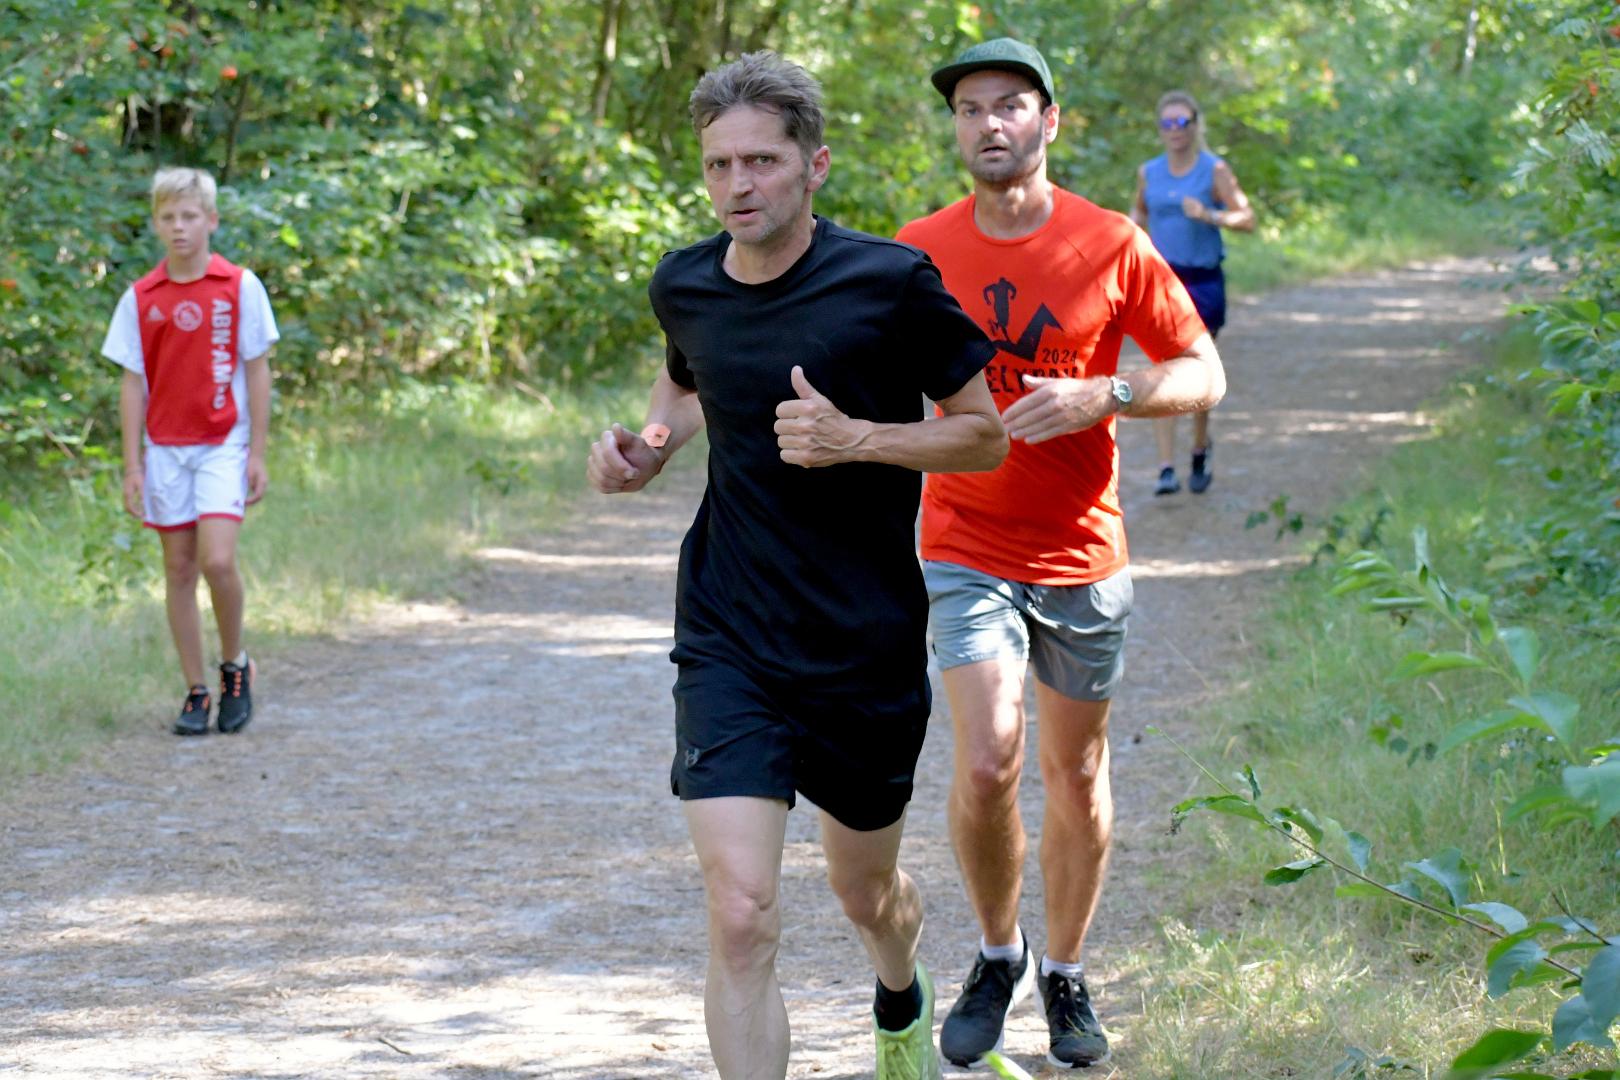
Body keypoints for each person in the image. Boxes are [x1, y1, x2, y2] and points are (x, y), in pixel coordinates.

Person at [585, 51, 1007, 1080]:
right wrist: (650, 445)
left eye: (762, 161)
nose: (739, 184)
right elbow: (685, 382)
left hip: (862, 643)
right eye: (720, 164)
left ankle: (900, 995)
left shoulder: (889, 284)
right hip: (729, 630)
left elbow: (983, 434)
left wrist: (859, 439)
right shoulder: (685, 282)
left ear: (814, 166)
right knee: (741, 912)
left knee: (867, 894)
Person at [896, 40, 1226, 1069]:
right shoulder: (918, 249)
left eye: (1010, 106)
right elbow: (856, 365)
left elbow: (1202, 371)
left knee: (1075, 773)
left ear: (1050, 122)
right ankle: (1000, 953)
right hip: (964, 541)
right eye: (969, 109)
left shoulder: (1111, 241)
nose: (988, 123)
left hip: (1082, 549)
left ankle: (1068, 972)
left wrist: (1105, 393)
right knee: (988, 759)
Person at [103, 167, 277, 736]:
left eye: (190, 216)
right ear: (156, 224)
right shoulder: (141, 297)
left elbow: (258, 370)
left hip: (222, 443)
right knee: (178, 567)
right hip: (165, 449)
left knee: (216, 561)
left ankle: (234, 666)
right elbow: (133, 382)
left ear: (211, 221)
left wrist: (257, 452)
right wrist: (132, 464)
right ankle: (196, 690)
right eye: (168, 217)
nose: (179, 227)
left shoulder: (239, 286)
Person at [1130, 89, 1255, 495]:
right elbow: (1138, 215)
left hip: (1203, 281)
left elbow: (1247, 218)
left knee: (1198, 368)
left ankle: (1200, 446)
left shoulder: (1214, 169)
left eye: (1182, 122)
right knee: (1161, 367)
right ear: (1159, 129)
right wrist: (1125, 239)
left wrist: (1210, 215)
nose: (1175, 130)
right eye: (1167, 123)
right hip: (1162, 281)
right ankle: (1166, 467)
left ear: (1196, 125)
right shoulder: (1149, 172)